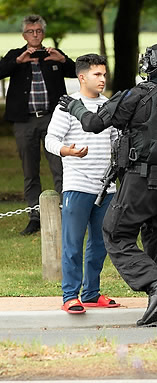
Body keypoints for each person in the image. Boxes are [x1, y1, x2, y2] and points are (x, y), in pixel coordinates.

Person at [58, 43, 157, 327]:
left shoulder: (137, 95)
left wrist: (74, 106)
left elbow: (96, 123)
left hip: (139, 180)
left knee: (115, 233)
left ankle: (156, 287)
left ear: (148, 64)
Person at [45, 54, 120, 314]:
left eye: (104, 74)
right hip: (77, 185)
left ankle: (90, 293)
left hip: (106, 188)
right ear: (82, 77)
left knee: (100, 244)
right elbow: (50, 140)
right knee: (73, 243)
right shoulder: (68, 106)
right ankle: (70, 296)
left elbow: (116, 141)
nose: (102, 79)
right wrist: (67, 150)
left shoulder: (109, 106)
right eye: (97, 74)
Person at [0, 14, 76, 235]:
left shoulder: (53, 56)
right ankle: (35, 216)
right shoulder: (16, 55)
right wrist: (18, 62)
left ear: (43, 33)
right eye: (30, 32)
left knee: (60, 167)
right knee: (30, 170)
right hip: (25, 121)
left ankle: (66, 214)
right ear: (24, 35)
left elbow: (76, 72)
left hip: (54, 120)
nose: (35, 35)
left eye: (39, 31)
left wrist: (62, 60)